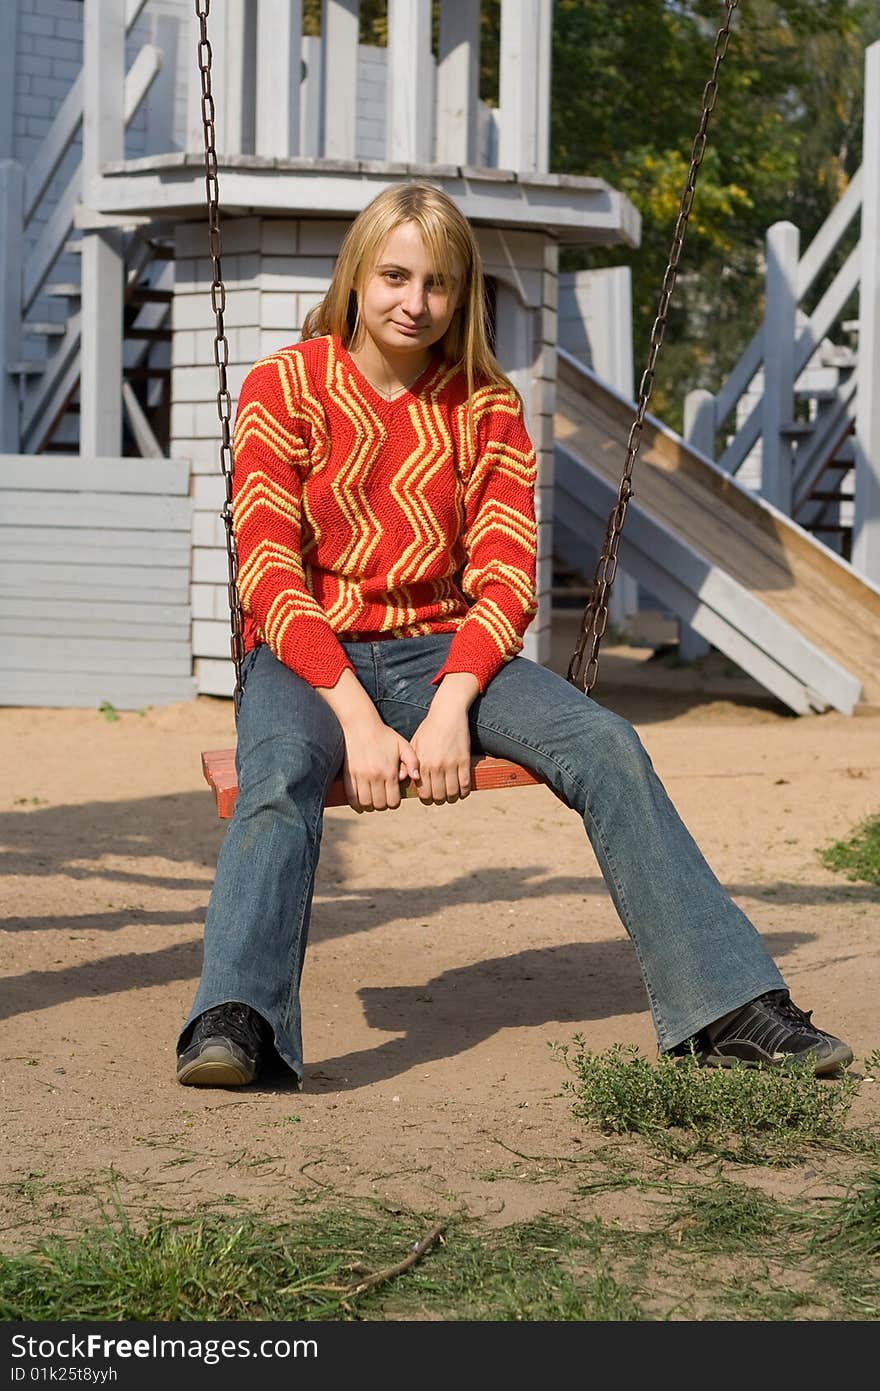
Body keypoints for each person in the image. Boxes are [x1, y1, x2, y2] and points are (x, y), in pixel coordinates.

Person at [176, 182, 852, 1089]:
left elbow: (502, 578)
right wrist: (359, 720)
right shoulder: (283, 386)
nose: (415, 303)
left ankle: (726, 1005)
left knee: (607, 743)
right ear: (356, 277)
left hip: (439, 650)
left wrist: (452, 703)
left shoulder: (486, 406)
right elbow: (267, 571)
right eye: (395, 276)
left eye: (440, 283)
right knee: (281, 770)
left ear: (464, 296)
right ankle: (237, 1016)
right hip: (307, 654)